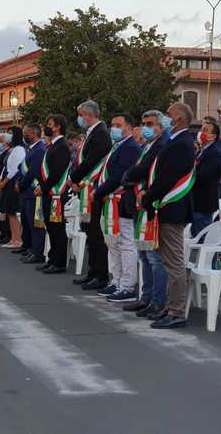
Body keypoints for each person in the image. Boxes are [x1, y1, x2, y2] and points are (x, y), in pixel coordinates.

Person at [140, 102, 196, 329]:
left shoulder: (182, 143)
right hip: (166, 207)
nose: (165, 118)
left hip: (173, 208)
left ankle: (177, 311)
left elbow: (168, 177)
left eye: (169, 115)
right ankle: (170, 308)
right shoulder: (176, 141)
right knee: (167, 260)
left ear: (179, 119)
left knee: (174, 263)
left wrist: (148, 195)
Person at [122, 110, 170, 318]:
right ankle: (146, 297)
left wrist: (130, 176)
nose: (146, 127)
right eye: (144, 123)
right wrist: (129, 177)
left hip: (152, 206)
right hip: (139, 205)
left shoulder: (161, 145)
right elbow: (134, 169)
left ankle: (157, 301)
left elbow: (141, 170)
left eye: (150, 123)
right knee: (143, 253)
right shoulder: (146, 145)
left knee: (154, 257)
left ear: (161, 126)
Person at [92, 114, 140, 302]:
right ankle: (117, 281)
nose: (114, 128)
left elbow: (120, 175)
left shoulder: (130, 147)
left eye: (118, 125)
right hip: (109, 201)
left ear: (128, 127)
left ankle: (127, 286)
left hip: (121, 201)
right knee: (112, 243)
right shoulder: (118, 145)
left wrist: (99, 191)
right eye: (112, 125)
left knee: (125, 244)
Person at [71, 100, 112, 289]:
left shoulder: (101, 133)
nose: (80, 118)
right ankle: (92, 271)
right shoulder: (92, 133)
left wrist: (74, 177)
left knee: (96, 234)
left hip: (93, 187)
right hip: (86, 186)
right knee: (89, 232)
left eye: (81, 114)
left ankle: (101, 275)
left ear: (89, 114)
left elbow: (92, 160)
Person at [34, 115, 71, 273]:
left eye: (49, 125)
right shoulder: (52, 145)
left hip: (56, 193)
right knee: (51, 227)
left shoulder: (62, 146)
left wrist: (43, 186)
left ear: (58, 127)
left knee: (57, 229)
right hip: (49, 192)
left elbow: (56, 172)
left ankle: (59, 262)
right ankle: (52, 258)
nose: (47, 128)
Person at [17, 125, 47, 264]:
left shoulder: (40, 149)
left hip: (33, 191)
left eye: (26, 133)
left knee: (35, 225)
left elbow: (33, 172)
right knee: (27, 223)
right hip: (26, 192)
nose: (24, 135)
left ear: (34, 133)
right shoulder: (31, 149)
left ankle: (37, 253)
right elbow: (21, 168)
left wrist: (22, 184)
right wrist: (19, 182)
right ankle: (29, 248)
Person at [191, 120, 221, 236]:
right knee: (195, 234)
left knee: (201, 236)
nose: (201, 133)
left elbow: (202, 176)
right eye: (201, 129)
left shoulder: (214, 153)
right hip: (196, 201)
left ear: (213, 136)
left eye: (205, 130)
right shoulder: (202, 151)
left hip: (204, 202)